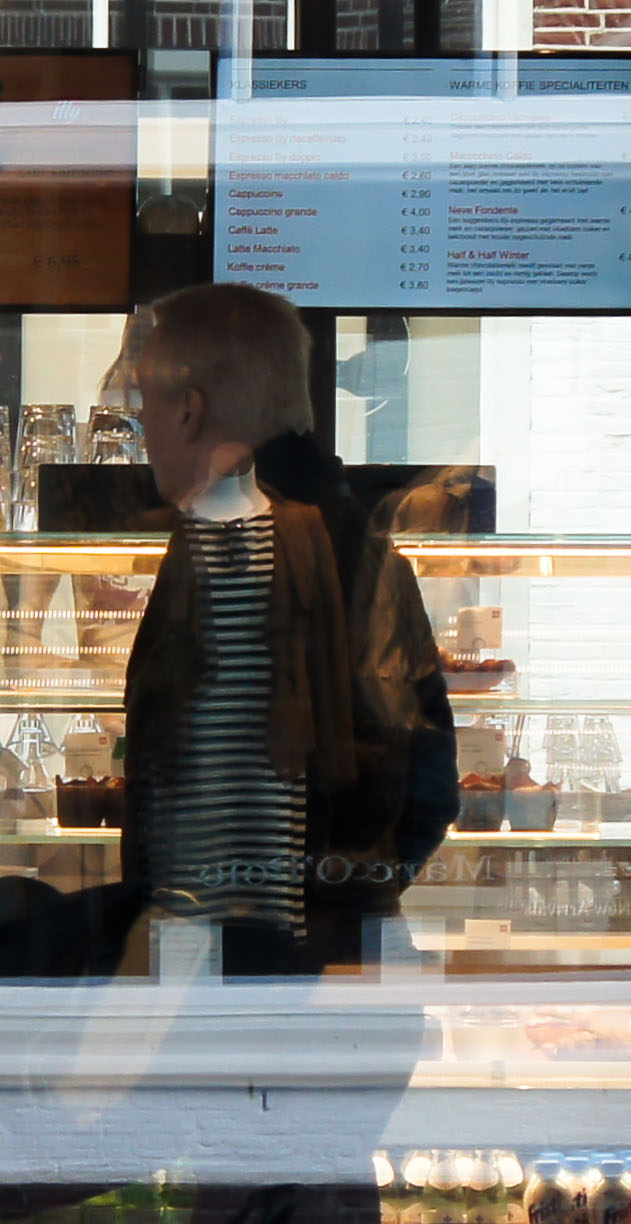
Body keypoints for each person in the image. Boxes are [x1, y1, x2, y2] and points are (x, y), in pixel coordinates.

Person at [106, 281, 447, 979]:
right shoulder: (334, 538)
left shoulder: (290, 542)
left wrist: (335, 908)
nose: (142, 435)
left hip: (272, 967)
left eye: (144, 410)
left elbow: (421, 778)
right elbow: (428, 779)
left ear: (189, 411)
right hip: (311, 957)